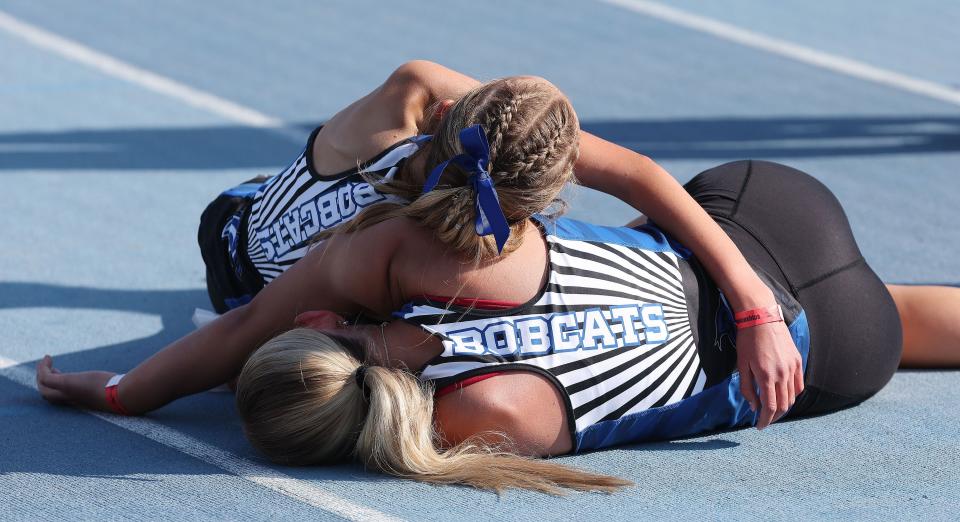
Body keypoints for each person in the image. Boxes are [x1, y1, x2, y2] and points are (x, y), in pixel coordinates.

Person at [36, 62, 959, 494]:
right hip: (774, 211)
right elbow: (238, 335)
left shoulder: (472, 420)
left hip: (842, 359)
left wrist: (123, 400)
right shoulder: (422, 249)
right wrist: (117, 389)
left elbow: (238, 338)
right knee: (650, 256)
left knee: (880, 315)